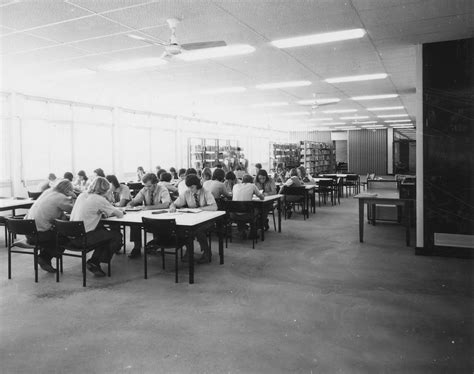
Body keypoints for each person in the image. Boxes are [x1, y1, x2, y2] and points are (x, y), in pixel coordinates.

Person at [70, 177, 123, 277]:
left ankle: (95, 261)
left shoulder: (82, 195)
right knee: (116, 236)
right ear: (106, 189)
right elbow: (120, 214)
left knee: (102, 231)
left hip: (71, 236)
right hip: (83, 238)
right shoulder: (99, 199)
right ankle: (95, 261)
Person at [25, 180, 75, 273]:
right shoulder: (61, 197)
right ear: (68, 190)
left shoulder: (48, 192)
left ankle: (45, 258)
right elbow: (74, 209)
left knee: (56, 231)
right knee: (66, 238)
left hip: (28, 232)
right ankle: (44, 257)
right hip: (40, 235)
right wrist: (74, 197)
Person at [169, 174, 217, 264]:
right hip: (193, 220)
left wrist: (199, 209)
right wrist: (172, 206)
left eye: (192, 187)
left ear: (197, 184)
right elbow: (174, 203)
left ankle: (207, 252)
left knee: (198, 230)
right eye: (188, 187)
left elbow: (214, 207)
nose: (190, 189)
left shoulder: (206, 192)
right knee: (183, 229)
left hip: (207, 220)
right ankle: (189, 250)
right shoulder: (187, 192)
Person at [127, 173, 171, 258]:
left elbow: (166, 204)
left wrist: (149, 207)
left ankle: (155, 244)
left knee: (156, 226)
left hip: (161, 216)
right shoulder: (144, 189)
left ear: (155, 183)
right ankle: (137, 247)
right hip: (147, 215)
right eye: (145, 186)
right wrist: (130, 204)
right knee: (134, 224)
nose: (147, 188)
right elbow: (135, 200)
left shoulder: (163, 189)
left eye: (149, 186)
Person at [232, 174, 264, 239]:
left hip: (234, 214)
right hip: (247, 215)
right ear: (252, 181)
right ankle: (253, 232)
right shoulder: (252, 186)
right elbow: (262, 198)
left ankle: (241, 231)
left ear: (242, 181)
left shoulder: (235, 186)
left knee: (241, 209)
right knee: (257, 210)